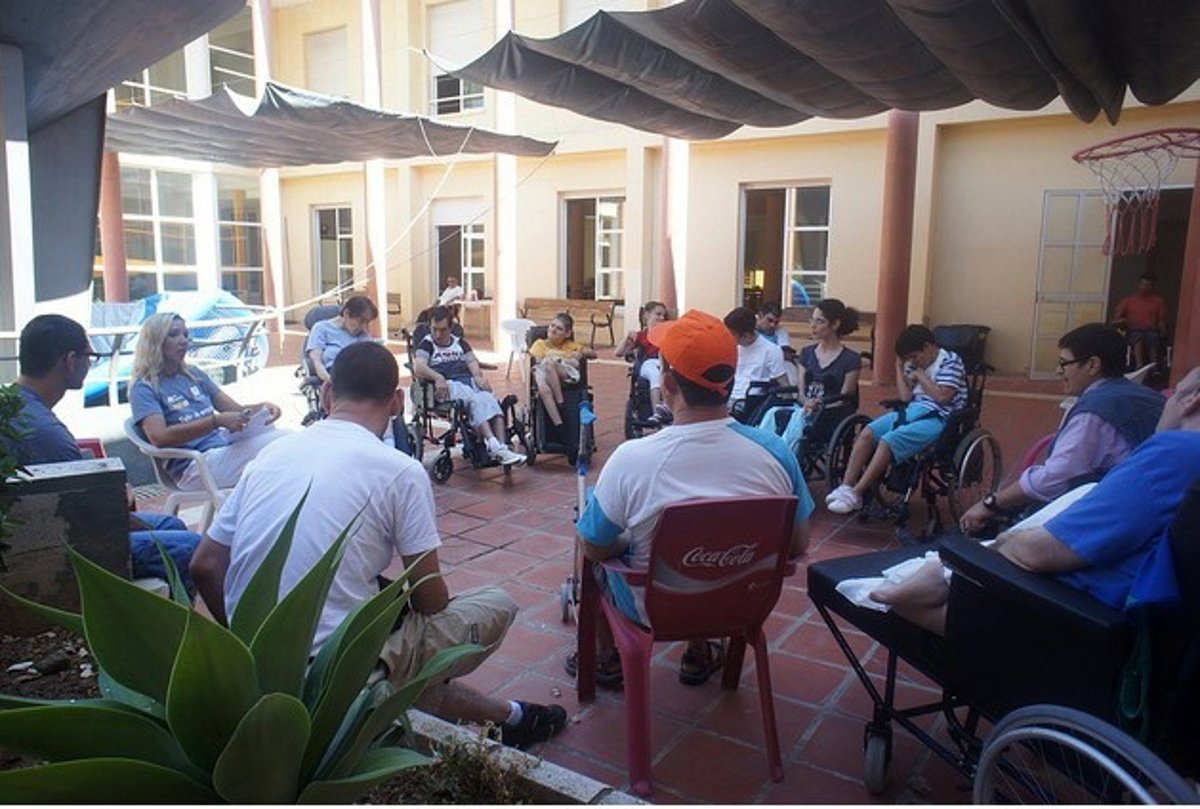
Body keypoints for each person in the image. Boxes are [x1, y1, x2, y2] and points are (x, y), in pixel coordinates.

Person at [189, 342, 566, 749]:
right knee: (494, 605)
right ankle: (471, 718)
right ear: (397, 402)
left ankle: (511, 717)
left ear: (328, 394)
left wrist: (242, 640)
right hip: (333, 675)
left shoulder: (270, 455)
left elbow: (204, 565)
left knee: (394, 636)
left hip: (254, 666)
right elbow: (430, 600)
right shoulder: (399, 470)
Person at [567, 309, 814, 687]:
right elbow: (797, 544)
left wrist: (626, 541)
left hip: (653, 610)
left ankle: (606, 658)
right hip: (743, 605)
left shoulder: (632, 460)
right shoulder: (776, 452)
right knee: (709, 545)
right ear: (731, 379)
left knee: (591, 540)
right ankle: (699, 652)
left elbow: (594, 546)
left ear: (666, 381)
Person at [870, 366, 1200, 635]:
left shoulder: (1176, 453)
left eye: (1174, 393)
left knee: (893, 600)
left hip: (1075, 611)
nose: (1165, 401)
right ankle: (942, 574)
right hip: (1135, 608)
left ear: (1192, 400)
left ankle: (943, 574)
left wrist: (999, 543)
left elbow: (1044, 552)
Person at [3, 314, 201, 589]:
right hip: (61, 548)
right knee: (192, 547)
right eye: (90, 356)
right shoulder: (47, 433)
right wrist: (117, 499)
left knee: (170, 525)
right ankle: (174, 616)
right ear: (71, 361)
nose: (90, 363)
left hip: (32, 531)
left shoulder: (14, 406)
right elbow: (95, 518)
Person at [959, 323, 1164, 535]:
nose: (1058, 371)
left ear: (1093, 365)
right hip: (1150, 503)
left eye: (1064, 363)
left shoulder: (1093, 415)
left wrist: (990, 503)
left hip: (1116, 517)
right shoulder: (1141, 394)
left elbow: (1053, 479)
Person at [130, 313, 285, 490]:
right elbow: (159, 437)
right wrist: (214, 422)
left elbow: (237, 409)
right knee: (282, 444)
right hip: (193, 466)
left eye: (185, 335)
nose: (183, 341)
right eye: (173, 335)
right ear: (155, 341)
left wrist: (263, 407)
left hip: (222, 448)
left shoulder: (194, 374)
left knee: (285, 439)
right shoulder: (144, 388)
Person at [827, 324, 967, 515]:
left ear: (927, 347)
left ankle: (856, 494)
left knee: (888, 441)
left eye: (914, 356)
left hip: (941, 418)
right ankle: (846, 486)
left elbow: (943, 397)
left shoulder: (950, 361)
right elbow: (905, 397)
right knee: (868, 432)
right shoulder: (914, 363)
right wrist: (899, 367)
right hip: (913, 410)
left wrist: (920, 375)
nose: (912, 361)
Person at [411, 305, 525, 466]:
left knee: (489, 398)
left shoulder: (460, 343)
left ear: (451, 328)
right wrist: (438, 377)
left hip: (467, 383)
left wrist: (478, 377)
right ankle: (493, 445)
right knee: (474, 398)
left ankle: (502, 447)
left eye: (443, 330)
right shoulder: (427, 344)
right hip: (447, 386)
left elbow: (472, 362)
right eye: (434, 329)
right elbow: (419, 367)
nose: (438, 334)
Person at [797, 299, 862, 426]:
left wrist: (820, 407)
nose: (813, 326)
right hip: (804, 412)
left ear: (835, 324)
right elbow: (801, 393)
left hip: (831, 415)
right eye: (812, 320)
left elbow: (844, 398)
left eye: (819, 321)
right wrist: (807, 403)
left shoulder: (851, 359)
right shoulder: (806, 353)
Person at [529, 312, 598, 431]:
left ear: (567, 334)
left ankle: (560, 404)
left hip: (565, 376)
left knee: (549, 364)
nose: (553, 330)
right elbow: (538, 360)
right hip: (545, 377)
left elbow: (593, 354)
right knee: (543, 386)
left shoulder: (569, 345)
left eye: (559, 328)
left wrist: (579, 353)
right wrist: (566, 355)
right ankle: (559, 424)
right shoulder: (540, 344)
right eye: (552, 326)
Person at [724, 306, 789, 421]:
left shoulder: (771, 351)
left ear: (746, 335)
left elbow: (784, 385)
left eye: (732, 334)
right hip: (726, 398)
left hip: (749, 402)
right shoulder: (732, 348)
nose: (728, 337)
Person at [614, 301, 673, 424]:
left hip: (665, 363)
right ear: (647, 315)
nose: (662, 318)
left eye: (663, 315)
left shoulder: (669, 334)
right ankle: (658, 412)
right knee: (656, 374)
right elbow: (618, 353)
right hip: (649, 363)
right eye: (658, 314)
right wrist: (627, 337)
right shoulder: (641, 335)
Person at [306, 295, 378, 384]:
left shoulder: (362, 335)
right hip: (334, 377)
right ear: (346, 313)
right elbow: (317, 363)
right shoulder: (321, 328)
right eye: (361, 321)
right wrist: (332, 382)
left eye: (367, 322)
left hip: (360, 378)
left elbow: (370, 362)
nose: (364, 327)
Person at [1113, 274, 1168, 370]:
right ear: (1138, 285)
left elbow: (1161, 320)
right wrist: (1123, 321)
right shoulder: (1129, 301)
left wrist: (1163, 332)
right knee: (1137, 337)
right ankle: (1139, 366)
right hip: (1133, 330)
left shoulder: (1158, 301)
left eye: (1148, 285)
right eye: (1142, 284)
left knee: (1153, 338)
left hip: (1151, 330)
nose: (1144, 287)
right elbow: (1116, 318)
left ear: (1153, 287)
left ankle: (1153, 366)